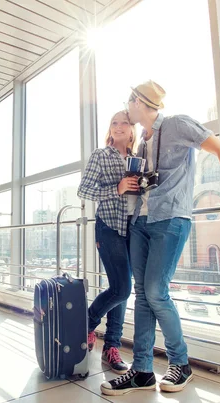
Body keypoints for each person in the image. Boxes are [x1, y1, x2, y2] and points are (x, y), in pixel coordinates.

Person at [101, 80, 220, 395]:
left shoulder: (178, 125)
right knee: (142, 294)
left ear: (141, 103)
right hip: (142, 220)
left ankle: (181, 363)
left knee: (156, 291)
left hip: (171, 219)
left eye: (131, 99)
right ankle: (142, 371)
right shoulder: (142, 143)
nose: (127, 104)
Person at [77, 110, 140, 375]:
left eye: (123, 122)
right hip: (109, 228)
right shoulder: (101, 155)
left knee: (121, 289)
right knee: (122, 289)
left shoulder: (138, 158)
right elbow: (84, 190)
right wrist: (117, 188)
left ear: (131, 128)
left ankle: (111, 348)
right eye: (114, 123)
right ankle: (87, 323)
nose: (118, 127)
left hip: (134, 229)